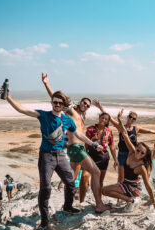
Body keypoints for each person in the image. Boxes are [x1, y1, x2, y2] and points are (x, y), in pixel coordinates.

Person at [0, 85, 104, 230]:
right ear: (51, 103)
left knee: (70, 182)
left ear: (63, 105)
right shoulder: (43, 115)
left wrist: (93, 144)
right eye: (54, 102)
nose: (56, 105)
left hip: (61, 155)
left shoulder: (67, 120)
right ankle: (44, 222)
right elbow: (22, 109)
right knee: (46, 188)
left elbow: (79, 135)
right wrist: (8, 97)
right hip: (46, 156)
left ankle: (67, 207)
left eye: (59, 103)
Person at [41, 73, 112, 214]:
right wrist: (46, 84)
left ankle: (68, 206)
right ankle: (99, 205)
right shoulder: (72, 111)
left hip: (75, 149)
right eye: (84, 103)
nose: (85, 105)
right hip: (76, 148)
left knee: (71, 180)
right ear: (79, 103)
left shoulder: (80, 117)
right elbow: (57, 99)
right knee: (96, 172)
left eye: (88, 105)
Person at [102, 110, 155, 212]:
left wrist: (154, 203)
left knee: (107, 189)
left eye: (142, 153)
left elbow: (148, 186)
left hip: (134, 188)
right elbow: (125, 134)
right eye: (138, 150)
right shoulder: (131, 152)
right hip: (126, 185)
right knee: (104, 190)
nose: (138, 153)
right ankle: (129, 200)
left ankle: (131, 200)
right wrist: (119, 119)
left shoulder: (141, 166)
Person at [93, 100, 155, 183]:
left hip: (133, 154)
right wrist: (100, 107)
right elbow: (109, 118)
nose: (131, 119)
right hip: (122, 154)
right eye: (130, 116)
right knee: (121, 177)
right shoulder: (120, 127)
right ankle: (119, 194)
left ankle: (136, 189)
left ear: (135, 120)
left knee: (131, 175)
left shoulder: (136, 128)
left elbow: (149, 131)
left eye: (133, 118)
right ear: (127, 117)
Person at [81, 112, 118, 201]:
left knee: (100, 181)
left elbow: (112, 146)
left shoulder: (109, 131)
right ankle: (81, 201)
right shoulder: (90, 129)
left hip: (103, 157)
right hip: (91, 156)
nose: (103, 120)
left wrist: (115, 160)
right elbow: (86, 143)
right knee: (84, 177)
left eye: (106, 119)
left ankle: (99, 202)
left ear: (107, 122)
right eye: (102, 118)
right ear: (99, 118)